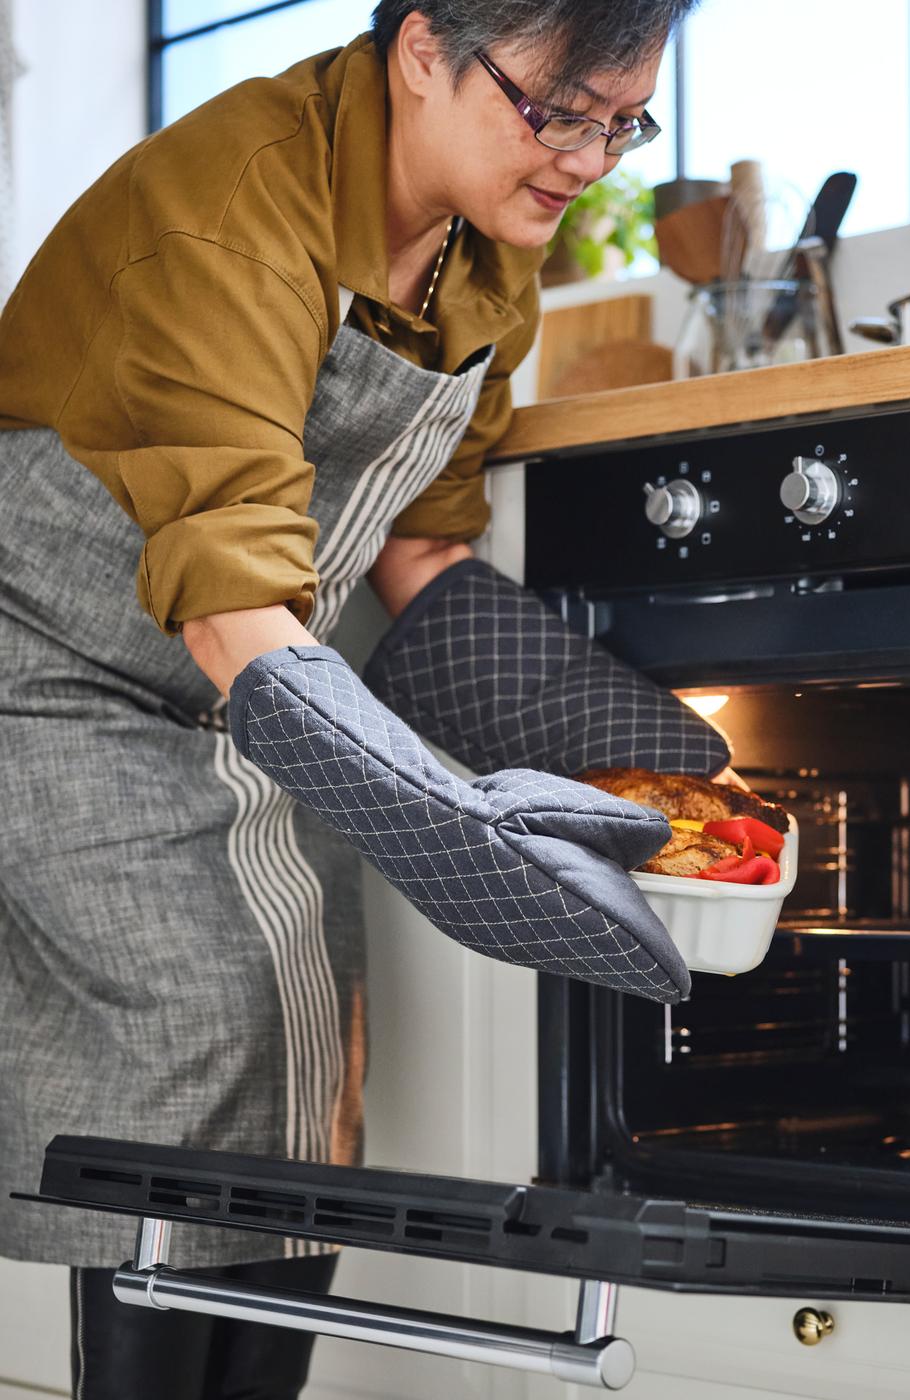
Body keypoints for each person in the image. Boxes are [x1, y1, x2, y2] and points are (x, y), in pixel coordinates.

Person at [0, 3, 725, 1395]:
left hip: (248, 691)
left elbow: (420, 547)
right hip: (57, 672)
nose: (589, 159)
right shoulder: (226, 212)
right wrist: (445, 822)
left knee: (310, 1051)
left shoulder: (486, 249)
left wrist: (674, 778)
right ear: (419, 49)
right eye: (556, 110)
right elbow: (226, 593)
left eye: (622, 120)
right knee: (195, 1031)